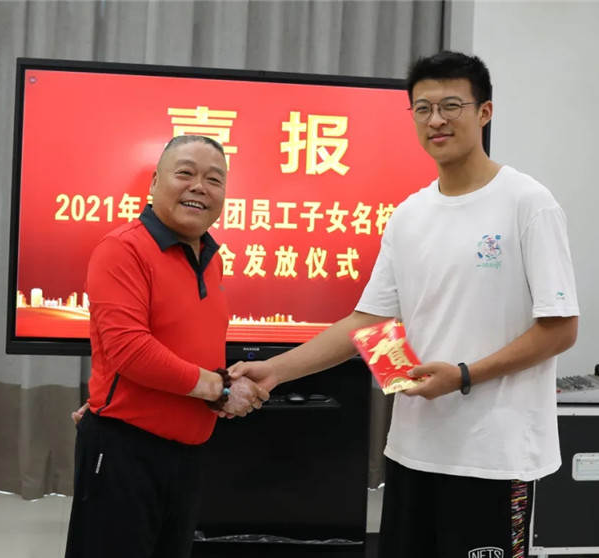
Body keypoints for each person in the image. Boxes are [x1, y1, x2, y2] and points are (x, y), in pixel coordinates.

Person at [229, 51, 579, 558]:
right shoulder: (410, 214)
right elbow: (369, 322)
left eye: (451, 105)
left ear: (484, 112)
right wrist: (275, 371)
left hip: (494, 456)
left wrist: (463, 375)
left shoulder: (528, 203)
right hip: (414, 450)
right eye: (423, 108)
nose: (436, 120)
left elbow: (560, 328)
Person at [65, 135, 269, 558]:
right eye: (185, 173)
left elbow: (189, 344)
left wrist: (223, 381)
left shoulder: (211, 257)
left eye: (214, 179)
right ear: (155, 182)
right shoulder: (123, 249)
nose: (199, 187)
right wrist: (220, 389)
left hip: (187, 455)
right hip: (126, 452)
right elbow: (130, 351)